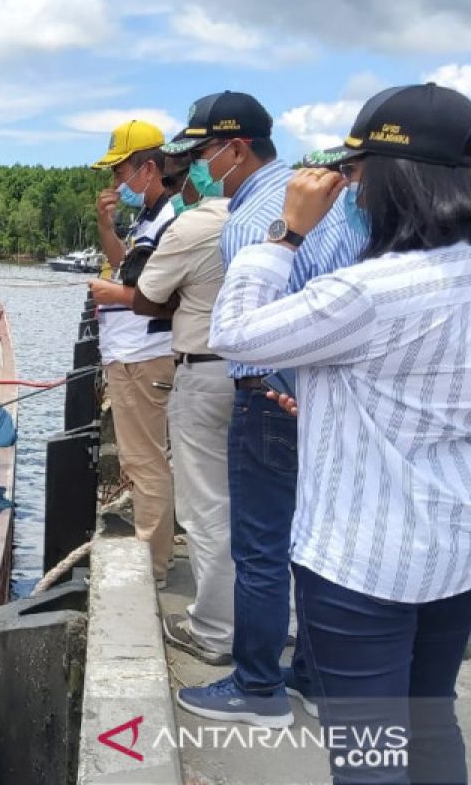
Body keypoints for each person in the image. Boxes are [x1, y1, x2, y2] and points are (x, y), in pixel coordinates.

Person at [209, 82, 471, 784]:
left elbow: (235, 334)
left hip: (363, 562)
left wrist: (286, 232)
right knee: (430, 720)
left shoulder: (371, 290)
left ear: (394, 180)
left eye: (355, 173)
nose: (350, 187)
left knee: (369, 751)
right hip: (453, 550)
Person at [169, 91, 365, 728]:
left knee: (261, 549)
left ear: (236, 149)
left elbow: (242, 328)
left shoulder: (257, 221)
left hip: (269, 396)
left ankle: (257, 688)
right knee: (312, 545)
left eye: (203, 153)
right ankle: (309, 675)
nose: (198, 166)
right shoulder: (338, 202)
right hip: (324, 398)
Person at [131, 146, 237, 665]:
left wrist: (186, 301)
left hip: (206, 365)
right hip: (264, 374)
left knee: (207, 507)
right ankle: (273, 622)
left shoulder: (194, 226)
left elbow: (144, 295)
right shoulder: (272, 216)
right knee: (262, 504)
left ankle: (214, 629)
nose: (187, 179)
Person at [85, 119, 176, 587]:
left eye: (122, 172)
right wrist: (106, 224)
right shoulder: (148, 219)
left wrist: (111, 294)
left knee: (144, 461)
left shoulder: (169, 219)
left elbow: (153, 293)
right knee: (141, 460)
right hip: (130, 352)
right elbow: (127, 266)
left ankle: (153, 568)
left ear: (148, 168)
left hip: (144, 354)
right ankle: (153, 555)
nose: (118, 183)